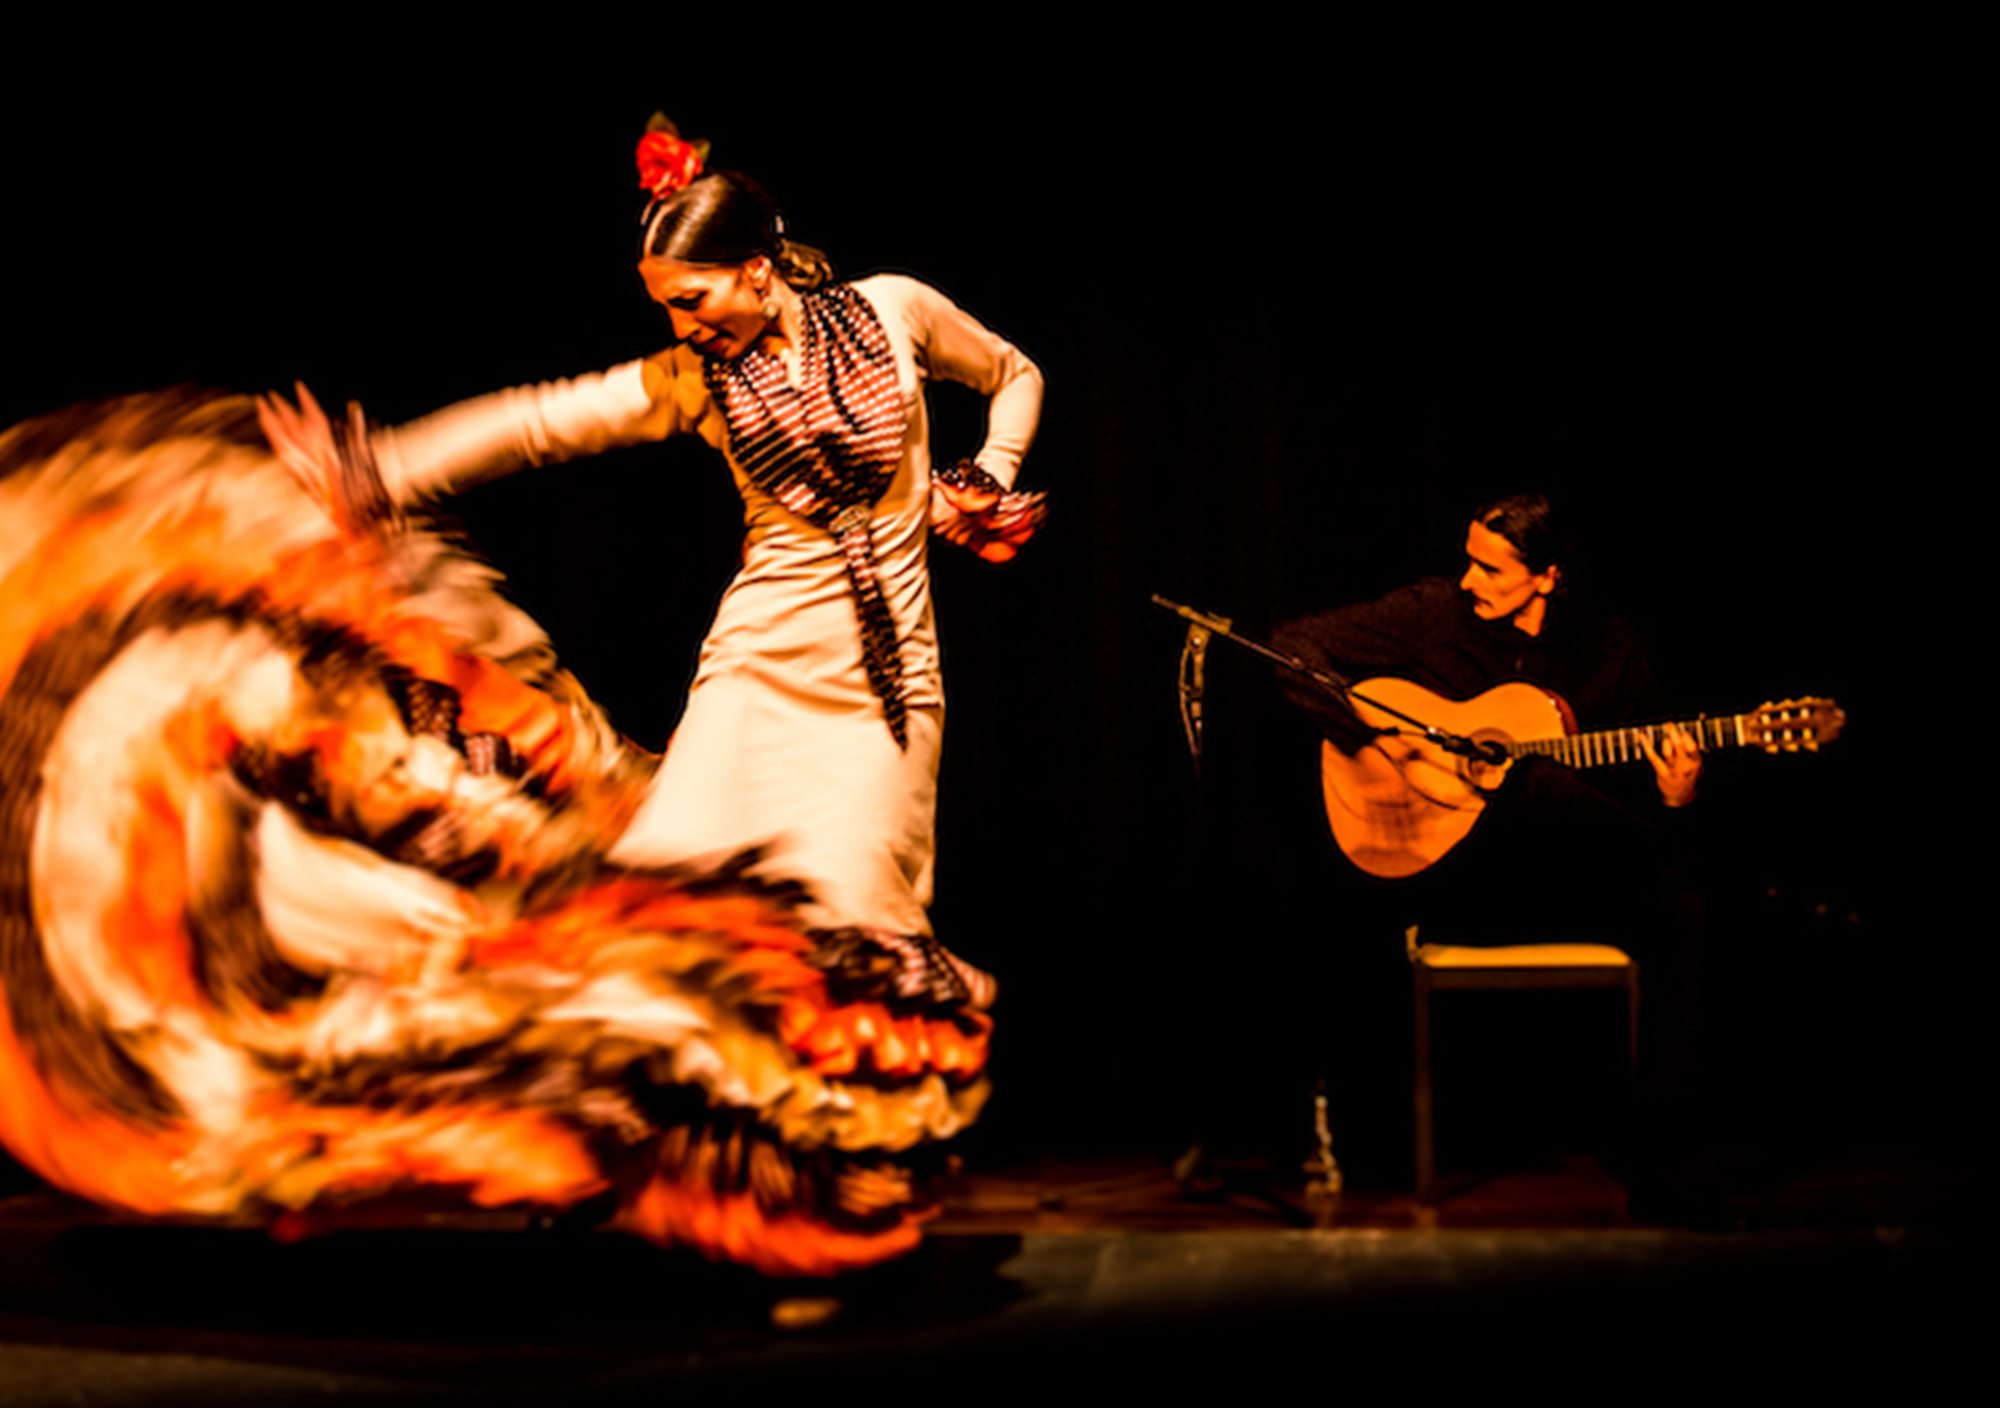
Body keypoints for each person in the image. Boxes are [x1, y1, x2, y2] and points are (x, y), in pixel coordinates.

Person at [273, 137, 1042, 993]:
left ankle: (873, 1106)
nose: (682, 324)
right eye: (667, 306)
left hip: (891, 681)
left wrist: (988, 471)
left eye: (691, 297)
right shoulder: (698, 379)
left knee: (857, 912)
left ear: (757, 270)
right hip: (757, 665)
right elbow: (542, 421)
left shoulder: (892, 309)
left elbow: (1014, 373)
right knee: (668, 893)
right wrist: (380, 469)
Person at [1271, 493, 1712, 1204]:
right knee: (1518, 787)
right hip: (1454, 879)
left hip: (1563, 884)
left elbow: (1636, 808)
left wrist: (1678, 796)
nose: (1469, 581)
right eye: (1467, 561)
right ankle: (1365, 1156)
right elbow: (1293, 647)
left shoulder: (1612, 651)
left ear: (1548, 577)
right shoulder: (1432, 613)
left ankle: (1664, 1170)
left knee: (1679, 908)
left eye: (1490, 568)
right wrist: (1373, 741)